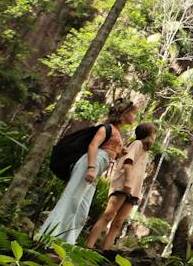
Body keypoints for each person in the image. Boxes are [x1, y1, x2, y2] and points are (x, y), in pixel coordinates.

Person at [38, 100, 135, 245]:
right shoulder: (106, 128)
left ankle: (66, 242)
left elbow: (109, 152)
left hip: (98, 167)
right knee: (71, 200)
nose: (134, 116)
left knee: (82, 210)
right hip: (90, 164)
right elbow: (93, 146)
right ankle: (47, 239)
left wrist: (119, 153)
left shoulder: (117, 132)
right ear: (124, 114)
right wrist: (91, 168)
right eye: (132, 113)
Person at [85, 121, 154, 250]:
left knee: (118, 222)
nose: (154, 136)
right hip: (124, 184)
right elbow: (128, 163)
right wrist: (128, 182)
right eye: (153, 133)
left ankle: (104, 250)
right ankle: (88, 247)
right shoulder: (137, 144)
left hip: (134, 190)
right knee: (108, 216)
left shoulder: (145, 150)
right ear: (148, 134)